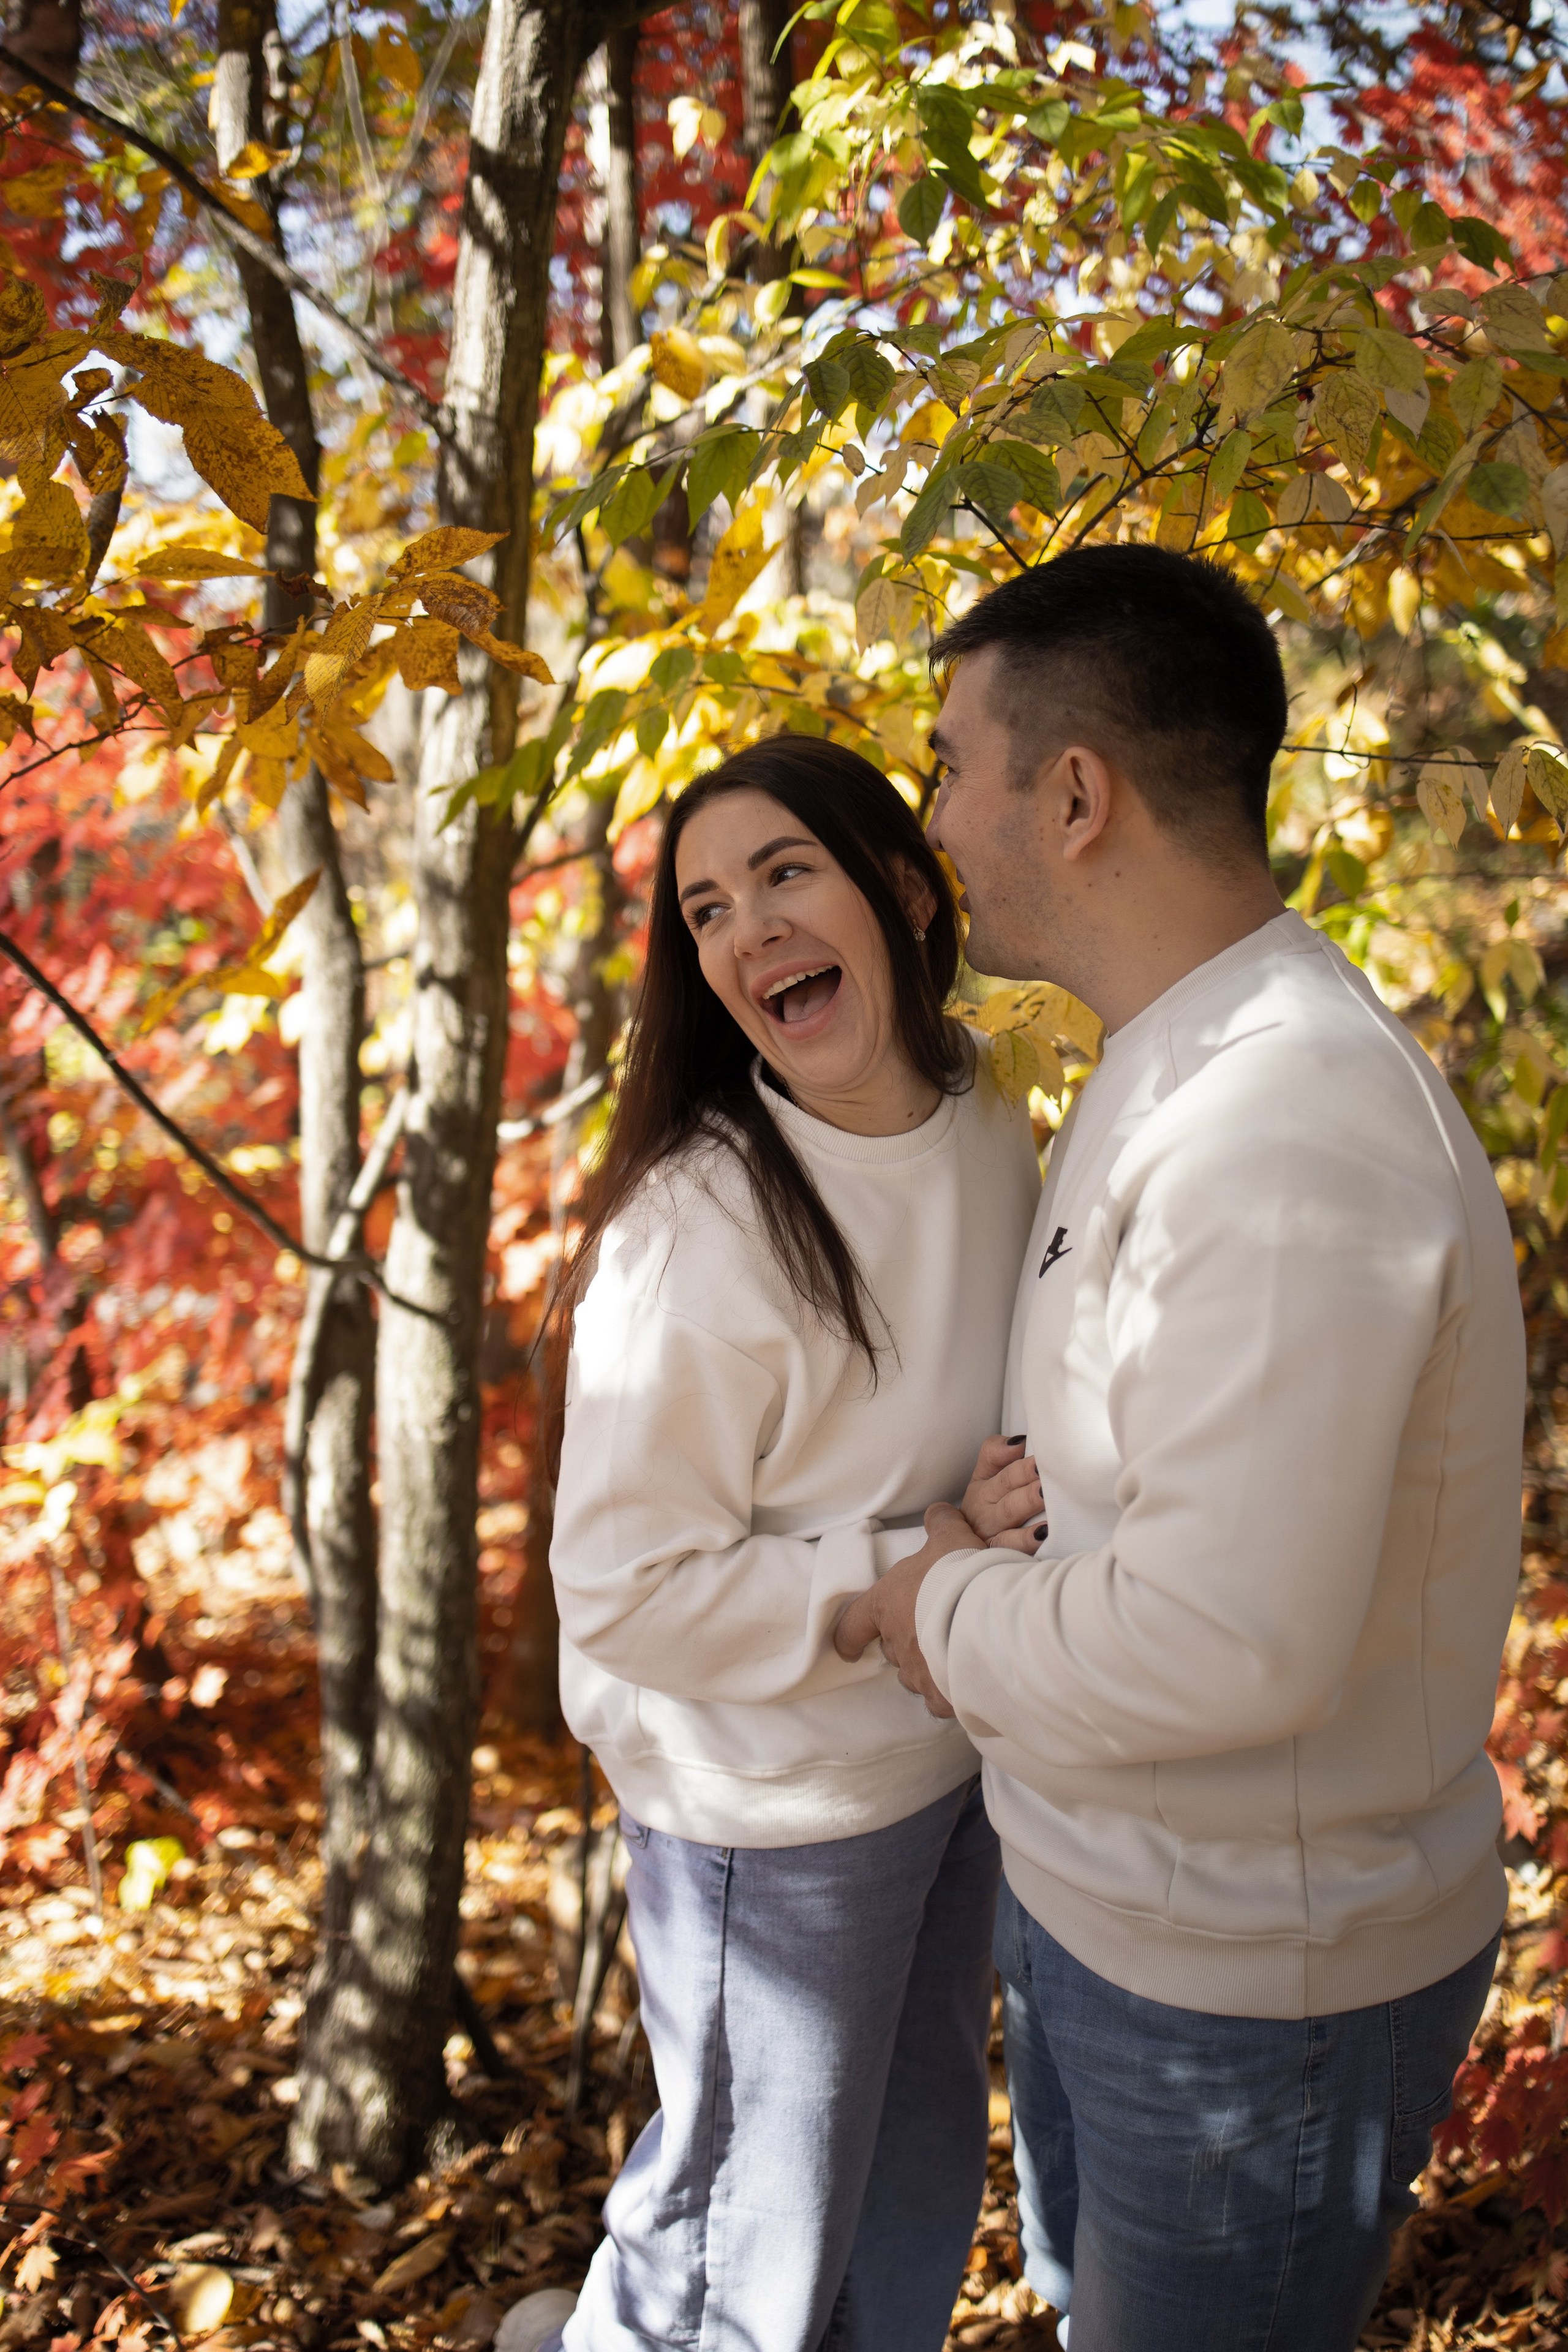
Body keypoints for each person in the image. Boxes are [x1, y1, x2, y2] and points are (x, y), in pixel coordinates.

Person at [837, 544, 1526, 2351]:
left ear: (1074, 797)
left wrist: (937, 1608)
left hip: (1248, 1993)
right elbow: (1156, 1488)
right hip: (1117, 1914)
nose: (932, 821)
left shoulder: (1285, 1124)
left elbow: (1226, 1639)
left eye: (948, 764)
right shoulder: (1176, 1064)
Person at [503, 737, 1044, 2352]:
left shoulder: (985, 1112)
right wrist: (898, 1561)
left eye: (786, 874)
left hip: (949, 1760)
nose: (749, 930)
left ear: (894, 885)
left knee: (915, 2184)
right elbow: (619, 1586)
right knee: (748, 2230)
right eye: (707, 908)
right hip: (770, 1813)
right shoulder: (703, 1232)